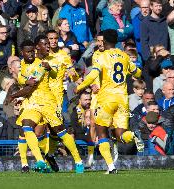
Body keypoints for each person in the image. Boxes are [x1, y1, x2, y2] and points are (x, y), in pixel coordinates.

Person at [74, 29, 142, 174]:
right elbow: (138, 72)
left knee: (101, 131)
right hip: (123, 99)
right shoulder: (124, 56)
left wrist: (80, 86)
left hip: (107, 99)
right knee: (121, 135)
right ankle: (134, 135)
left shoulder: (102, 56)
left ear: (104, 42)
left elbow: (93, 74)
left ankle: (111, 167)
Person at [15, 38, 84, 173]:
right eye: (45, 43)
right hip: (32, 102)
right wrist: (22, 91)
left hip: (50, 101)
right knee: (26, 129)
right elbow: (23, 79)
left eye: (50, 42)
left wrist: (15, 95)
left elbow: (37, 80)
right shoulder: (24, 62)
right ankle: (32, 163)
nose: (49, 46)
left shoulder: (46, 62)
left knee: (57, 131)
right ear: (37, 47)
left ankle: (72, 159)